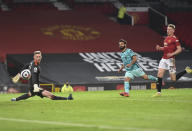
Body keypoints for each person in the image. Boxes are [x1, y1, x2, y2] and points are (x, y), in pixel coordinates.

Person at [154, 24, 182, 97]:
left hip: (171, 60)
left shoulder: (175, 39)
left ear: (173, 30)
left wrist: (172, 54)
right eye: (167, 29)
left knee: (173, 79)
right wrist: (160, 48)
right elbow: (166, 48)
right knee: (159, 74)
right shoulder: (166, 38)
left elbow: (179, 49)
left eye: (170, 29)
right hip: (164, 59)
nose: (168, 30)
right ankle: (158, 93)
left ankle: (186, 70)